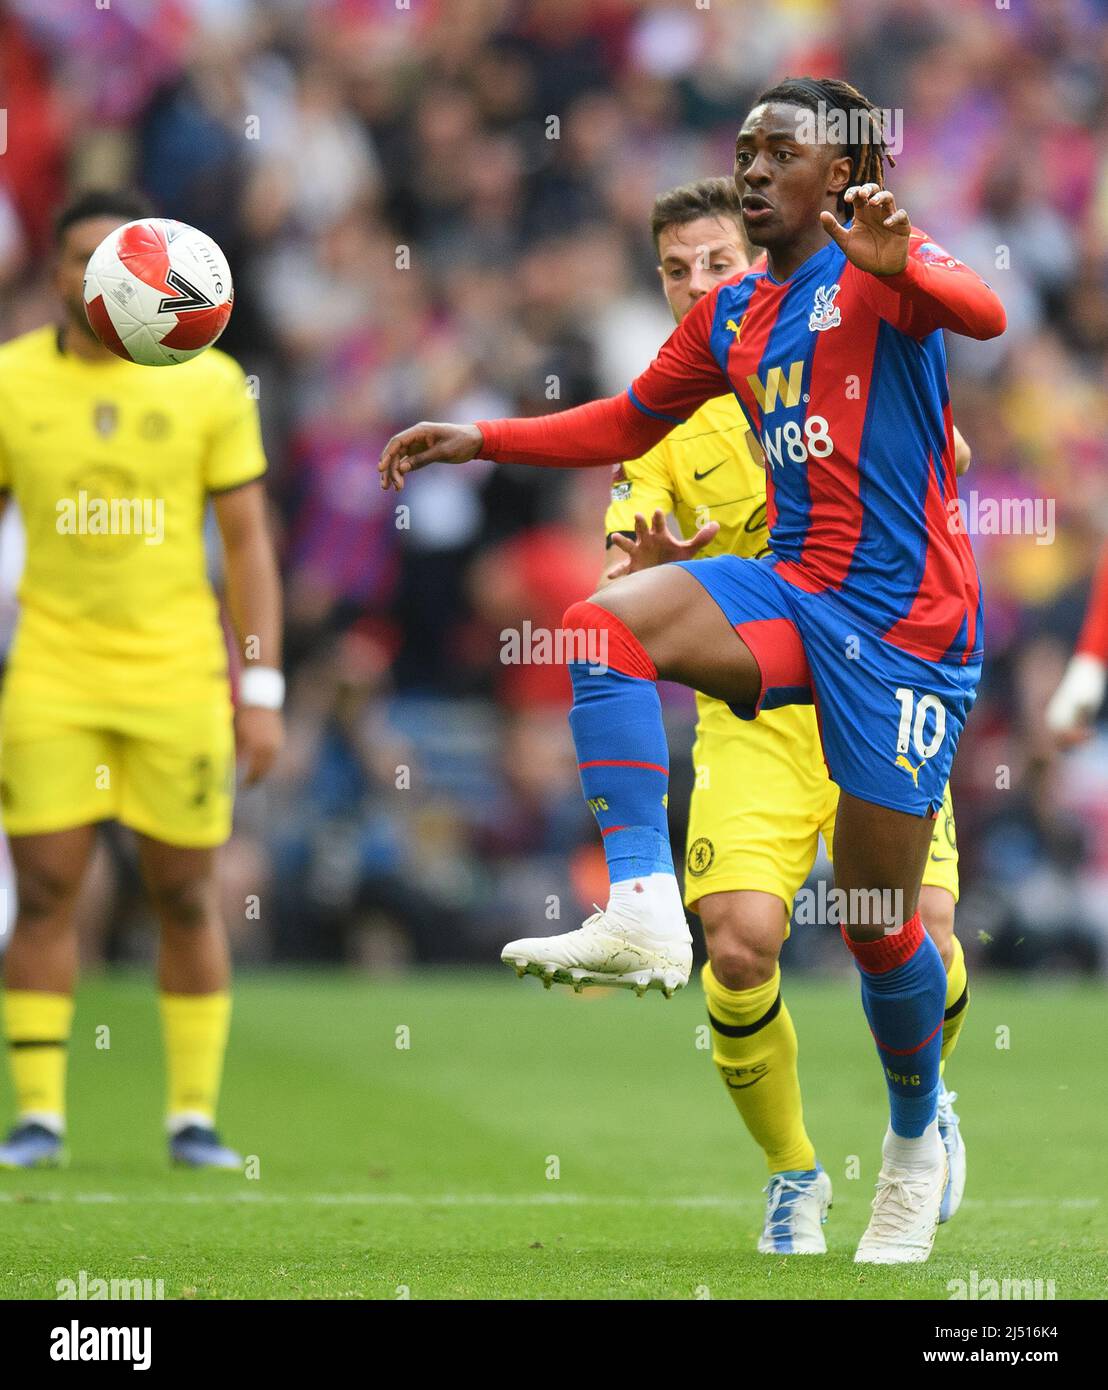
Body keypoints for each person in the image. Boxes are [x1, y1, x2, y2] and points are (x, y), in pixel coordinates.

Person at [379, 78, 1005, 1264]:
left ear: (842, 170)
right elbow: (623, 422)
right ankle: (641, 905)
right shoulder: (734, 319)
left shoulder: (882, 265)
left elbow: (983, 316)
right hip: (799, 593)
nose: (757, 167)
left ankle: (917, 1140)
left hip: (907, 635)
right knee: (601, 622)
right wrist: (485, 434)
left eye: (783, 151)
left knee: (879, 924)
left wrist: (905, 258)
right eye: (745, 149)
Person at [588, 174, 970, 1252]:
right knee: (744, 947)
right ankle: (793, 1173)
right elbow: (615, 574)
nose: (696, 280)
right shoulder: (660, 419)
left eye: (715, 259)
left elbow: (939, 472)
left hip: (880, 687)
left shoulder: (838, 344)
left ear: (754, 258)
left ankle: (924, 1105)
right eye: (674, 268)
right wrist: (660, 567)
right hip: (755, 719)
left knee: (918, 937)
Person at [0, 190, 284, 1170]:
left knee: (184, 891)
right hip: (50, 670)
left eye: (114, 259)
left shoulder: (207, 382)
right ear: (57, 273)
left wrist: (263, 688)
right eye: (82, 258)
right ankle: (38, 1114)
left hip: (176, 675)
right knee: (44, 890)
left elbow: (248, 547)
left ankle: (192, 1118)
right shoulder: (7, 383)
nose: (97, 276)